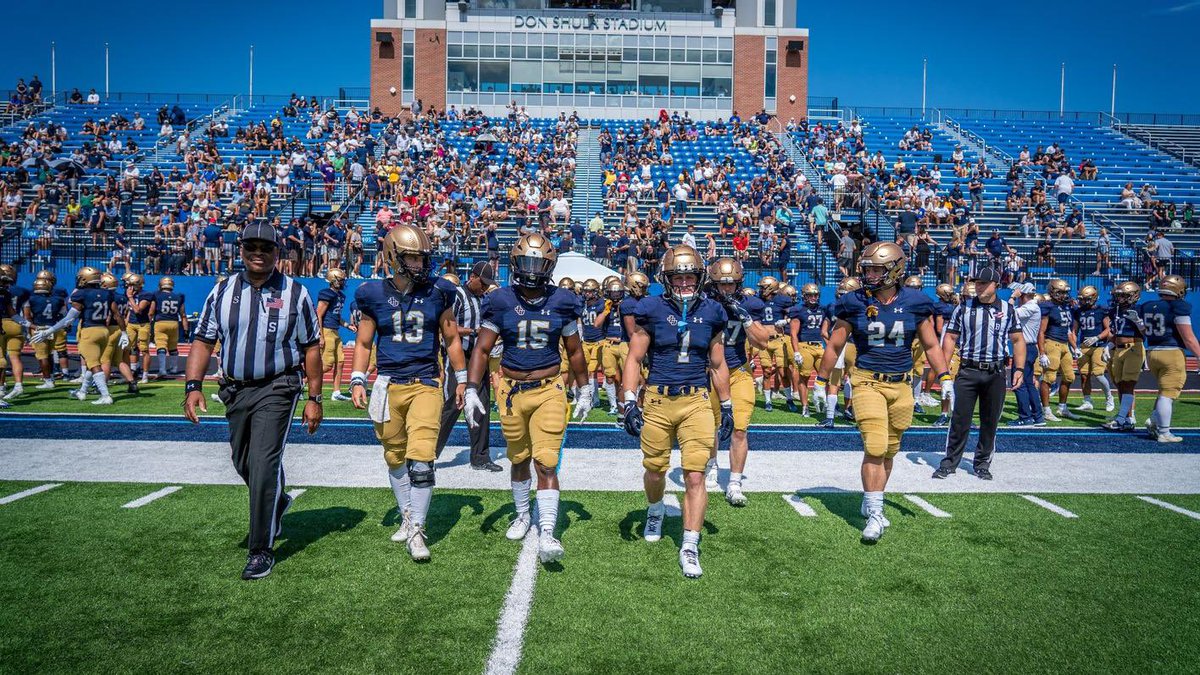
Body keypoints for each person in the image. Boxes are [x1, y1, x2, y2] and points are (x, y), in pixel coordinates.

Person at [182, 222, 322, 580]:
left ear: (279, 253)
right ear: (240, 249)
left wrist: (314, 397)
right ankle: (274, 499)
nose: (258, 253)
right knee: (242, 460)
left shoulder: (296, 293)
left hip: (279, 385)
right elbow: (203, 340)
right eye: (251, 246)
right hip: (235, 388)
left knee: (263, 462)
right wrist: (192, 385)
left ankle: (261, 549)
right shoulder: (222, 290)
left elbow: (310, 347)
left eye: (266, 247)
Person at [464, 234, 594, 566]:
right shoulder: (502, 300)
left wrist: (584, 387)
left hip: (549, 387)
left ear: (549, 267)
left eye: (539, 264)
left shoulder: (563, 301)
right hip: (510, 390)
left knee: (546, 461)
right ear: (515, 264)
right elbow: (481, 348)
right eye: (527, 263)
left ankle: (548, 530)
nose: (533, 271)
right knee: (519, 458)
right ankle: (523, 515)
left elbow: (575, 350)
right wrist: (470, 387)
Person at [815, 242, 950, 542]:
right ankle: (876, 512)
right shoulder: (853, 302)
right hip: (866, 381)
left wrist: (945, 376)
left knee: (890, 449)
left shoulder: (916, 302)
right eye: (868, 269)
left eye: (877, 269)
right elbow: (836, 344)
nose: (870, 274)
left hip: (902, 385)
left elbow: (930, 345)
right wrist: (821, 381)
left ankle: (872, 498)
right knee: (875, 447)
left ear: (895, 270)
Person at [349, 224, 468, 560]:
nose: (419, 264)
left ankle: (418, 527)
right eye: (412, 258)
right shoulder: (372, 294)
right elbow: (363, 341)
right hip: (388, 384)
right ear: (392, 257)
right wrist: (358, 377)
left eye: (421, 257)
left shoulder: (440, 291)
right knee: (394, 456)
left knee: (422, 460)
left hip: (425, 383)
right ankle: (406, 515)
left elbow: (452, 338)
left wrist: (461, 379)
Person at [621, 244, 733, 578]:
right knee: (655, 470)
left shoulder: (713, 310)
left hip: (696, 400)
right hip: (657, 398)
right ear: (666, 278)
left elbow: (717, 363)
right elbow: (635, 357)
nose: (684, 283)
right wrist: (629, 399)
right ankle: (655, 508)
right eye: (678, 277)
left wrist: (726, 406)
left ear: (700, 277)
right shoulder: (651, 308)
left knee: (695, 474)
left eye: (690, 277)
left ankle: (689, 545)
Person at [932, 267, 1025, 480]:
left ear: (996, 285)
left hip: (995, 372)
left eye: (984, 283)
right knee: (959, 419)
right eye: (977, 283)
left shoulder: (1008, 309)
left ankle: (982, 463)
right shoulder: (963, 308)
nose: (979, 286)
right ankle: (949, 462)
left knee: (990, 421)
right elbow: (950, 338)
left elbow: (1018, 339)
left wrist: (1019, 369)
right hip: (968, 370)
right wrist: (944, 371)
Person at [703, 257, 770, 506]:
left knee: (739, 429)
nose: (727, 289)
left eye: (731, 285)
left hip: (739, 370)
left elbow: (762, 342)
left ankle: (734, 482)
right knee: (711, 425)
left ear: (740, 283)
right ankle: (711, 464)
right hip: (710, 371)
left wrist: (746, 318)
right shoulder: (705, 303)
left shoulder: (750, 304)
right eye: (722, 284)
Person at [435, 261, 501, 471]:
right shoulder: (457, 295)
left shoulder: (484, 299)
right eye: (482, 282)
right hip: (458, 357)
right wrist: (474, 331)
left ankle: (480, 457)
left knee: (481, 406)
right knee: (454, 405)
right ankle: (426, 454)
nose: (484, 287)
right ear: (472, 277)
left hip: (477, 358)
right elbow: (447, 328)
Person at [32, 266, 128, 406]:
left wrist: (48, 331)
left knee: (94, 364)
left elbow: (68, 319)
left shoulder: (81, 294)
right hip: (104, 331)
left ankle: (105, 395)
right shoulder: (108, 294)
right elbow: (117, 315)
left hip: (89, 331)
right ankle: (82, 391)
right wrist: (124, 333)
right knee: (92, 362)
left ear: (85, 279)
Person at [1131, 275, 1200, 443]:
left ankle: (1154, 420)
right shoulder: (1178, 306)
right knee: (1168, 394)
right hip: (1171, 353)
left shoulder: (1147, 306)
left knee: (1163, 391)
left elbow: (1144, 332)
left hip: (1152, 352)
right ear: (1179, 289)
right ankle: (1164, 432)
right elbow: (1188, 338)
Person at [1100, 281, 1145, 432]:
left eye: (1123, 296)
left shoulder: (1140, 309)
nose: (1119, 299)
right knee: (1120, 384)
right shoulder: (1115, 311)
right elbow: (1115, 333)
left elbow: (1145, 333)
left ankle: (1124, 419)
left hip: (1133, 347)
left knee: (1128, 384)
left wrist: (1139, 323)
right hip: (1118, 349)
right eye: (1118, 296)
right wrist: (1108, 346)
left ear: (1133, 296)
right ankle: (1125, 417)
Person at [1037, 279, 1079, 423]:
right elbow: (1041, 331)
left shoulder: (1067, 307)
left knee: (1069, 377)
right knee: (1049, 378)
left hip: (1064, 345)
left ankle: (1062, 407)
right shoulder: (1047, 306)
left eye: (1065, 292)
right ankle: (1046, 410)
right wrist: (1042, 352)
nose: (1063, 295)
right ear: (1053, 292)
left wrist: (1075, 347)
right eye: (1060, 292)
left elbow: (1068, 330)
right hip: (1051, 343)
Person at [788, 283, 828, 419]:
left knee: (826, 376)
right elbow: (793, 334)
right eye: (810, 295)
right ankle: (805, 406)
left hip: (819, 346)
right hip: (804, 346)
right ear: (804, 296)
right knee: (804, 376)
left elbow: (825, 330)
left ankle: (830, 405)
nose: (813, 297)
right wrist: (796, 351)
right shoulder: (798, 310)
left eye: (815, 294)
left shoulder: (823, 309)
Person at [1073, 285, 1114, 413]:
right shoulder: (1078, 311)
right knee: (1084, 375)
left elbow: (1108, 329)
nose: (1082, 301)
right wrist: (1075, 347)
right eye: (1081, 299)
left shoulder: (1102, 311)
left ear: (1093, 298)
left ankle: (1109, 398)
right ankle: (1087, 400)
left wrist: (1097, 337)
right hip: (1084, 346)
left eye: (1085, 299)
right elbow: (1074, 330)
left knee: (1099, 374)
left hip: (1098, 345)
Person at [24, 277, 66, 392]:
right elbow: (63, 314)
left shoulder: (30, 299)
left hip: (38, 327)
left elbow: (27, 317)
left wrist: (28, 332)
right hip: (53, 328)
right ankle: (51, 377)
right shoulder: (58, 299)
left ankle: (48, 380)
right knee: (50, 353)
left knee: (42, 356)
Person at [317, 269, 353, 402]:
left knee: (340, 362)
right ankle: (302, 382)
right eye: (341, 280)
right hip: (327, 331)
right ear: (334, 280)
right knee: (327, 365)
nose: (343, 282)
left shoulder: (340, 296)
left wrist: (348, 325)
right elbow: (319, 315)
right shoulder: (327, 294)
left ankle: (336, 392)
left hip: (335, 331)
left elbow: (336, 316)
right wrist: (321, 335)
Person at [149, 277, 188, 379]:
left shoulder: (156, 295)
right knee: (173, 346)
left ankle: (162, 369)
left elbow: (151, 312)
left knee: (161, 345)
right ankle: (174, 368)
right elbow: (183, 314)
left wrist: (148, 325)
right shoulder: (178, 296)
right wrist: (186, 330)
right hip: (174, 323)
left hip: (161, 322)